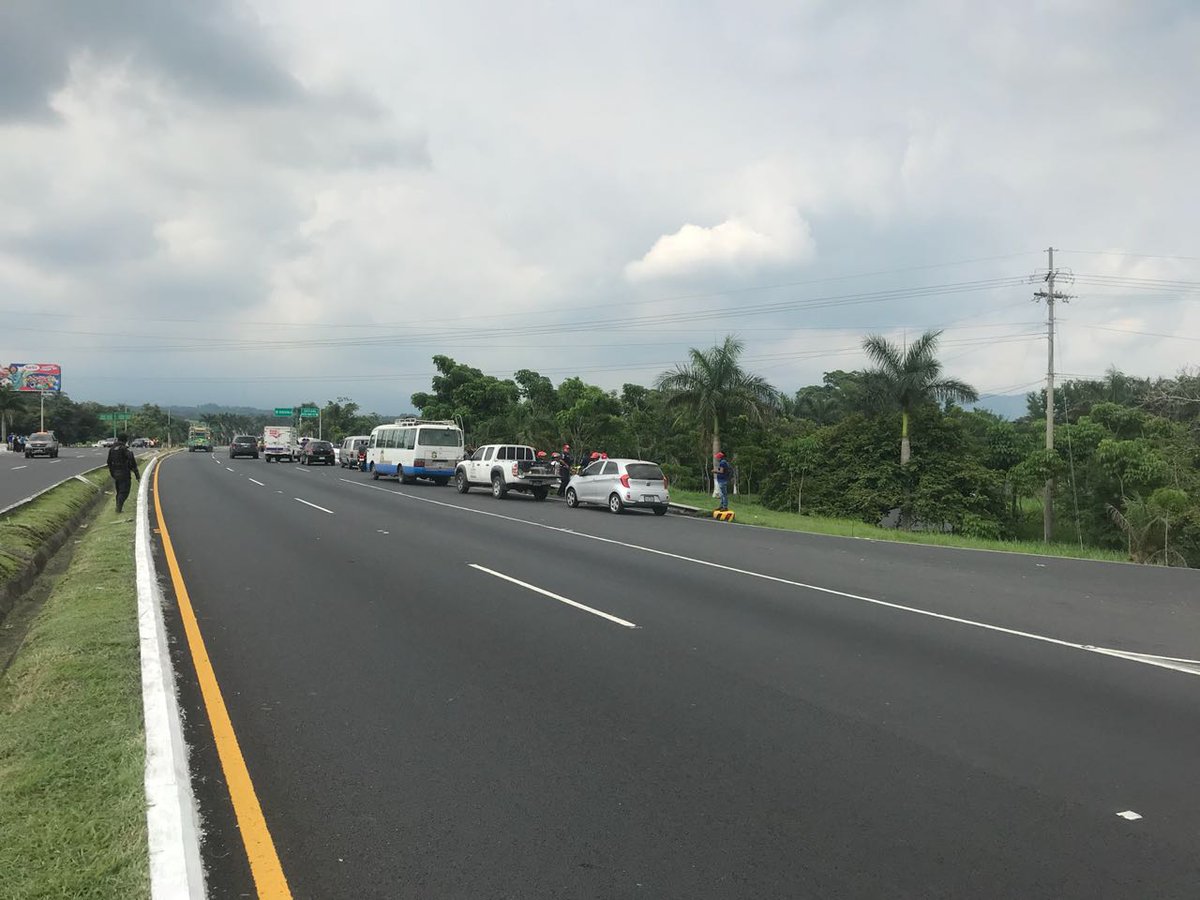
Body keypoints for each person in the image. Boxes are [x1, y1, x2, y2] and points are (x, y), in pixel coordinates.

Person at [107, 432, 140, 514]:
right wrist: (137, 476)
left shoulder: (112, 449)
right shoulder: (124, 449)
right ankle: (118, 508)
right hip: (124, 473)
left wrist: (112, 473)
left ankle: (118, 507)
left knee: (119, 491)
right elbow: (133, 463)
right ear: (126, 440)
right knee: (124, 491)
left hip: (115, 473)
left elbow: (109, 462)